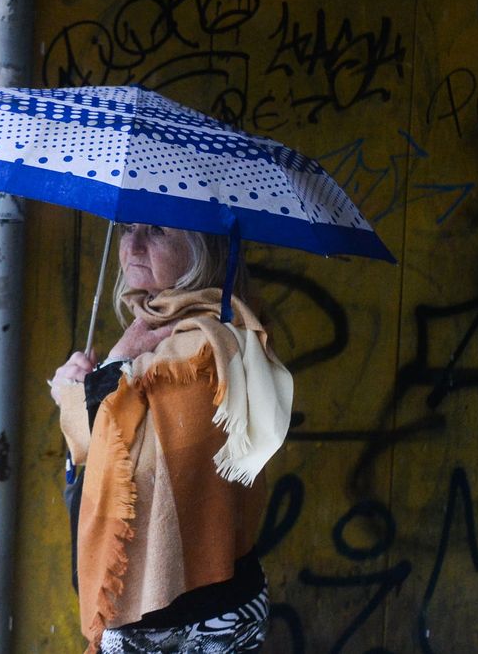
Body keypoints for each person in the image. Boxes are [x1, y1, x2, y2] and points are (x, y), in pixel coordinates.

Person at [51, 223, 293, 654]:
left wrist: (83, 389)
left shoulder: (205, 345)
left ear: (203, 250)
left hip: (183, 613)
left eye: (157, 231)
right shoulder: (161, 329)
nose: (134, 245)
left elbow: (136, 466)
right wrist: (101, 378)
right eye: (127, 229)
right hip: (185, 602)